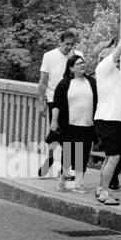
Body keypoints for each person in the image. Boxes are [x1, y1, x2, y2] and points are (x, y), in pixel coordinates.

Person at [92, 15, 121, 206]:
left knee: (116, 156)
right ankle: (104, 192)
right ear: (104, 57)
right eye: (108, 52)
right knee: (114, 156)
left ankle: (100, 188)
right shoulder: (103, 68)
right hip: (106, 119)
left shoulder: (117, 76)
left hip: (116, 121)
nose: (113, 54)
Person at [37, 30, 82, 178]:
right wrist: (41, 103)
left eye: (71, 44)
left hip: (73, 102)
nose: (69, 47)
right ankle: (50, 160)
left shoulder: (77, 56)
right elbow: (43, 81)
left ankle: (64, 170)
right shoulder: (49, 56)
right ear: (60, 42)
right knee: (56, 134)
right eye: (66, 44)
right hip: (54, 101)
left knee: (69, 137)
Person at [51, 54, 96, 193]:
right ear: (71, 68)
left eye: (83, 63)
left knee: (83, 154)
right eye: (78, 64)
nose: (82, 65)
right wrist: (54, 121)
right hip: (70, 124)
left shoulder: (91, 81)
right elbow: (56, 103)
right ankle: (63, 179)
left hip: (88, 124)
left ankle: (78, 184)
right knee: (69, 153)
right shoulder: (65, 83)